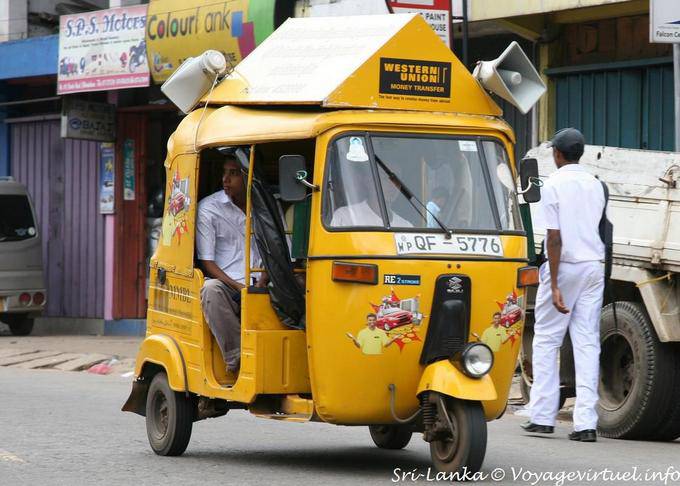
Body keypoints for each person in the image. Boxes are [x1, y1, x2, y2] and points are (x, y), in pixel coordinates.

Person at [521, 128, 605, 443]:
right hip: (593, 266)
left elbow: (554, 238)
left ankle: (542, 416)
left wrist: (554, 284)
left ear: (557, 154)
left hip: (565, 267)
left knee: (546, 339)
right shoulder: (596, 184)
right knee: (586, 342)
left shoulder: (553, 184)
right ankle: (586, 423)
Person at [197, 156, 268, 375]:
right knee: (210, 290)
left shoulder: (265, 206)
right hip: (229, 285)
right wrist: (239, 288)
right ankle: (238, 356)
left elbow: (280, 246)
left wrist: (264, 280)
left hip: (264, 280)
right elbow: (208, 262)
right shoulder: (209, 208)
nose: (226, 180)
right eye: (224, 173)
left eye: (234, 173)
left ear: (248, 177)